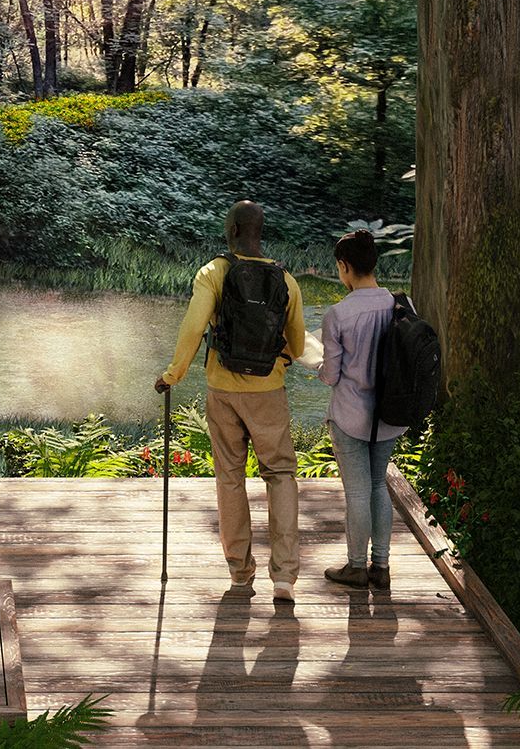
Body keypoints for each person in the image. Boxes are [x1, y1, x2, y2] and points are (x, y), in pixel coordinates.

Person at [155, 201, 307, 604]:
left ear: (235, 230)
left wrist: (173, 374)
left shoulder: (214, 272)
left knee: (230, 477)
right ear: (260, 230)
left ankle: (241, 572)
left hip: (223, 392)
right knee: (280, 475)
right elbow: (298, 345)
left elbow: (192, 328)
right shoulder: (286, 280)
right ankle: (285, 577)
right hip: (269, 392)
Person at [320, 229, 400, 591]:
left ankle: (355, 566)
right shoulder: (400, 304)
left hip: (351, 416)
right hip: (389, 415)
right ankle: (380, 567)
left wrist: (316, 365)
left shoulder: (338, 314)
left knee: (356, 493)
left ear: (344, 266)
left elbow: (331, 374)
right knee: (378, 486)